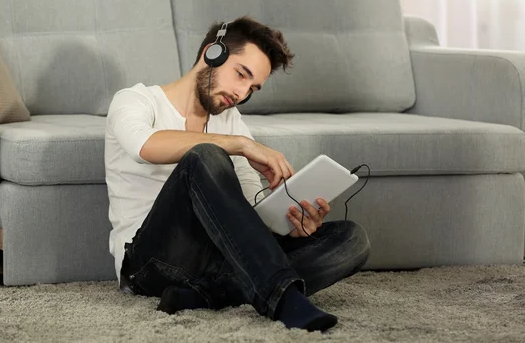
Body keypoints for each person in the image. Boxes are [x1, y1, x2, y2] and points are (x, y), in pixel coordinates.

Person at [104, 16, 370, 333]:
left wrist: (292, 225)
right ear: (211, 53)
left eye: (252, 88)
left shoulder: (230, 122)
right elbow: (143, 145)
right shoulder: (135, 100)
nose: (241, 94)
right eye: (241, 75)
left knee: (351, 238)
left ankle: (205, 296)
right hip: (151, 261)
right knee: (204, 155)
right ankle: (284, 299)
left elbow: (244, 213)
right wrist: (241, 145)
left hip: (217, 260)